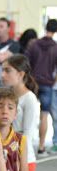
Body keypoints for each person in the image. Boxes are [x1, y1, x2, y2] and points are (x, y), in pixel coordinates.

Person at [26, 19, 57, 155]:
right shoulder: (56, 47)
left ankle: (25, 145)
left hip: (33, 82)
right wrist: (52, 80)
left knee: (29, 113)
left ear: (45, 28)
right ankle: (41, 146)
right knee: (44, 115)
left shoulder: (34, 44)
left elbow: (26, 63)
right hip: (47, 84)